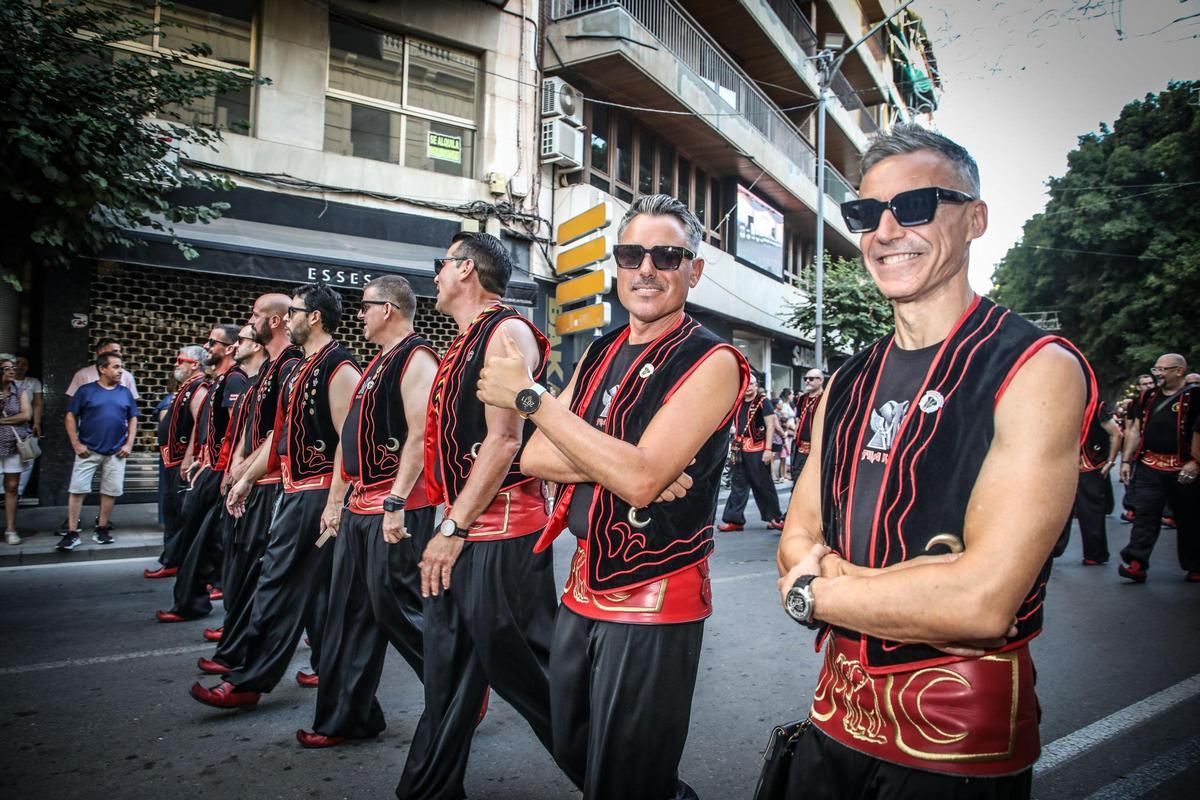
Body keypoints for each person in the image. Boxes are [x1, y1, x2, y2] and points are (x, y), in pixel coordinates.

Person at [776, 125, 1092, 799]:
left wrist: (815, 592)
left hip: (956, 739)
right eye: (867, 213)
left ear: (975, 219)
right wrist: (916, 585)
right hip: (832, 716)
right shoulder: (848, 380)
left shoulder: (1035, 367)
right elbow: (796, 537)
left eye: (915, 205)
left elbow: (978, 603)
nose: (886, 231)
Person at [478, 194, 747, 800]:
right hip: (581, 585)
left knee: (626, 776)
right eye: (631, 254)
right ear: (618, 265)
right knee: (573, 742)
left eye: (667, 255)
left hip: (655, 593)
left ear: (694, 270)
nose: (646, 268)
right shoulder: (600, 350)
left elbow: (642, 480)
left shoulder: (713, 360)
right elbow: (536, 456)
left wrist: (533, 400)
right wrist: (624, 463)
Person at [395, 232, 568, 800]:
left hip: (498, 536)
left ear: (466, 269)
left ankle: (633, 783)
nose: (436, 275)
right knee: (446, 675)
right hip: (466, 531)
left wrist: (452, 527)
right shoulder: (466, 338)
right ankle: (427, 790)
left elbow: (503, 441)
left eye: (441, 264)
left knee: (538, 681)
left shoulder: (504, 332)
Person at [190, 283, 358, 708]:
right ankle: (337, 685)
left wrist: (335, 502)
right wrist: (246, 478)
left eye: (295, 312)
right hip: (295, 491)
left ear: (314, 317)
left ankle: (249, 679)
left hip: (317, 494)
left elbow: (348, 439)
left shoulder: (338, 366)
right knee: (313, 592)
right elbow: (279, 438)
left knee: (277, 583)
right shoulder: (300, 369)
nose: (289, 320)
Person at [297, 275, 438, 748]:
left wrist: (396, 501)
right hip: (360, 506)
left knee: (401, 611)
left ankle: (456, 685)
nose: (359, 315)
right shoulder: (377, 362)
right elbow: (350, 441)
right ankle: (347, 718)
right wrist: (336, 501)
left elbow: (420, 436)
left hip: (395, 508)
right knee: (348, 617)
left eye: (365, 306)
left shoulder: (416, 357)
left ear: (388, 309)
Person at [202, 295, 302, 665]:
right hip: (257, 478)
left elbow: (279, 432)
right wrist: (236, 465)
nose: (250, 321)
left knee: (266, 573)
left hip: (275, 482)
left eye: (256, 315)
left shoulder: (290, 365)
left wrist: (245, 472)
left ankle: (242, 653)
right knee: (255, 568)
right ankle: (238, 643)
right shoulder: (270, 369)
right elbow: (250, 428)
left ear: (275, 321)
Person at [156, 324, 250, 622]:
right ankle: (193, 600)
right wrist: (196, 457)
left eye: (213, 342)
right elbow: (207, 427)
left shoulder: (234, 379)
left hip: (218, 471)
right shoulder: (220, 380)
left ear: (230, 348)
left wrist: (226, 468)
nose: (207, 346)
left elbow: (237, 429)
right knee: (198, 538)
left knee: (202, 540)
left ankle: (194, 603)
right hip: (210, 467)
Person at [1116, 353, 1199, 582]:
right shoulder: (1148, 396)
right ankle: (1136, 563)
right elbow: (1135, 429)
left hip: (1183, 467)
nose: (1158, 374)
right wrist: (1126, 460)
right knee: (1145, 514)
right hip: (1149, 465)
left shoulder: (1196, 397)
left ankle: (1195, 565)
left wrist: (1196, 462)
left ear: (1179, 371)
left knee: (1190, 517)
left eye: (1163, 369)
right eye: (1156, 369)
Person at [59, 352, 140, 550]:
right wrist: (76, 444)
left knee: (110, 491)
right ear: (102, 369)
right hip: (88, 450)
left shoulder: (125, 392)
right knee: (77, 490)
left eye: (121, 367)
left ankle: (101, 528)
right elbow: (70, 416)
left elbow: (133, 418)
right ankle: (72, 533)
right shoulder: (86, 391)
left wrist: (129, 444)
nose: (121, 371)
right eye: (116, 367)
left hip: (116, 452)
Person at [144, 346, 208, 579]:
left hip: (181, 461)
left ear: (195, 364)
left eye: (181, 360)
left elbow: (200, 425)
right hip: (171, 460)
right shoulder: (186, 387)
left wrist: (189, 456)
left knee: (181, 516)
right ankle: (171, 560)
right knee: (171, 513)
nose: (176, 364)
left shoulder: (199, 388)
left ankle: (182, 562)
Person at [1052, 377, 1121, 565]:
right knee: (1056, 511)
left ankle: (1094, 554)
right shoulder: (1056, 404)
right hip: (1063, 465)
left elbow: (1116, 433)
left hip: (1089, 465)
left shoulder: (1096, 406)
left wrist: (1110, 461)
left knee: (1090, 512)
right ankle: (1050, 552)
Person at [718, 373, 785, 531]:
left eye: (752, 384)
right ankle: (735, 520)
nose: (748, 387)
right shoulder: (738, 402)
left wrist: (768, 449)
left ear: (756, 385)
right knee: (738, 484)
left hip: (757, 449)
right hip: (739, 449)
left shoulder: (763, 401)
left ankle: (775, 518)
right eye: (746, 384)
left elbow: (771, 425)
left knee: (763, 484)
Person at [1, 357, 33, 544]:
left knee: (12, 486)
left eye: (12, 367)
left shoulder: (20, 390)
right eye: (6, 368)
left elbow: (26, 414)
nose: (12, 371)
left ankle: (10, 529)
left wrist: (2, 420)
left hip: (14, 444)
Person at [66, 338, 140, 401]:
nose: (120, 354)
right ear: (101, 352)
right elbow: (73, 399)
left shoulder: (127, 376)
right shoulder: (82, 374)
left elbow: (132, 402)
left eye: (120, 351)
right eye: (115, 351)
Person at [13, 353, 43, 499]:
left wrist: (36, 423)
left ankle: (18, 492)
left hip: (26, 424)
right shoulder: (4, 381)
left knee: (28, 457)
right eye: (17, 363)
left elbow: (37, 404)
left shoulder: (33, 382)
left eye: (23, 364)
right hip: (6, 425)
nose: (20, 366)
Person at [790, 369, 824, 483]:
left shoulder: (825, 399)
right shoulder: (802, 398)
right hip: (801, 448)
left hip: (818, 449)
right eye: (805, 379)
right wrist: (795, 436)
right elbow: (798, 419)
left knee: (814, 481)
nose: (807, 381)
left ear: (820, 380)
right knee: (797, 478)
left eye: (811, 379)